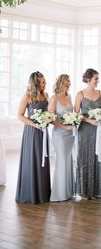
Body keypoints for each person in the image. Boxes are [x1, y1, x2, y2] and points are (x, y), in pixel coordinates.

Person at [15, 71, 51, 203]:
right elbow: (19, 115)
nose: (45, 84)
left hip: (43, 132)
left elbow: (48, 112)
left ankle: (43, 193)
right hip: (32, 132)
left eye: (45, 81)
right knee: (33, 159)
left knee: (43, 159)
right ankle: (31, 193)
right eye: (43, 82)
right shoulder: (27, 96)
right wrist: (34, 124)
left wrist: (47, 120)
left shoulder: (46, 95)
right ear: (36, 83)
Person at [75, 68, 101, 199]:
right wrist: (89, 120)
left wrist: (100, 118)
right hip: (84, 130)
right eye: (96, 79)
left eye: (98, 78)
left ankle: (96, 190)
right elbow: (75, 115)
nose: (98, 81)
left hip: (98, 129)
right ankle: (85, 191)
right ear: (88, 79)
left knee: (97, 156)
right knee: (84, 157)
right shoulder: (80, 94)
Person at [48, 74, 75, 201]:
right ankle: (59, 194)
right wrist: (65, 127)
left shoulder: (69, 97)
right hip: (59, 134)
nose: (69, 83)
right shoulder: (54, 98)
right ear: (61, 83)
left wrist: (74, 121)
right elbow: (50, 119)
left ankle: (68, 192)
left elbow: (72, 114)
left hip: (70, 134)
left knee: (68, 161)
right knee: (62, 161)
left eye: (69, 81)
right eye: (66, 81)